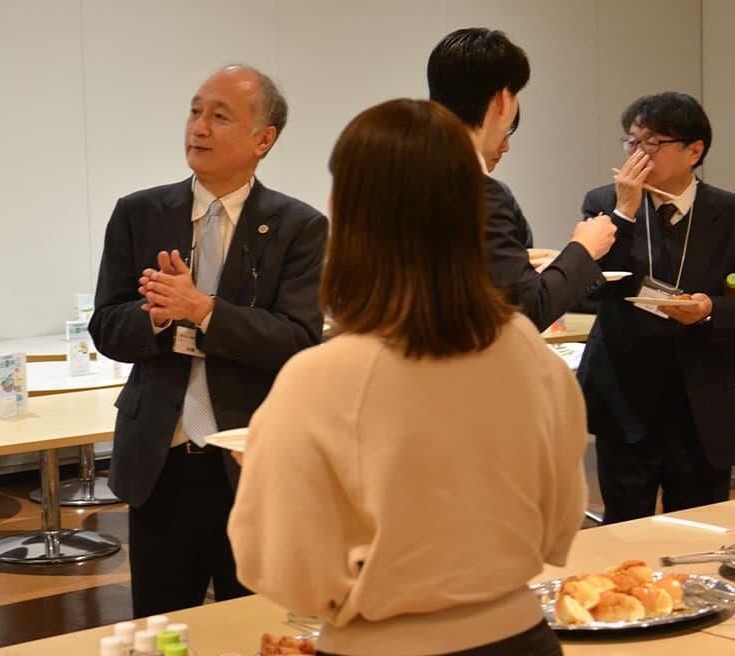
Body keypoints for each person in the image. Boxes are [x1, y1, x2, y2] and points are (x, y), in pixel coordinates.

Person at [228, 98, 587, 656]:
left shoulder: (321, 377)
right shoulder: (526, 349)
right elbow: (562, 520)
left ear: (351, 216)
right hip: (521, 635)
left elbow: (280, 568)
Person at [88, 64, 327, 618]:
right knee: (162, 621)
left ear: (264, 139)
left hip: (252, 459)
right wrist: (156, 317)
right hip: (161, 456)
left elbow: (298, 340)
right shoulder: (140, 213)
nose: (199, 126)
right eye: (196, 111)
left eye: (220, 116)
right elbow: (106, 325)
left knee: (253, 621)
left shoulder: (299, 226)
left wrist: (204, 311)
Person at [578, 92, 735, 523]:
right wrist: (624, 213)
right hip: (625, 398)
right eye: (631, 142)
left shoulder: (729, 212)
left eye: (652, 144)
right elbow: (592, 289)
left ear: (694, 151)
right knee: (623, 531)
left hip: (702, 403)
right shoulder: (603, 203)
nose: (637, 155)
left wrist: (710, 310)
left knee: (699, 528)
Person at [428, 27, 615, 331]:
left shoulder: (406, 175)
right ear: (503, 101)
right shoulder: (479, 192)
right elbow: (526, 311)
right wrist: (584, 247)